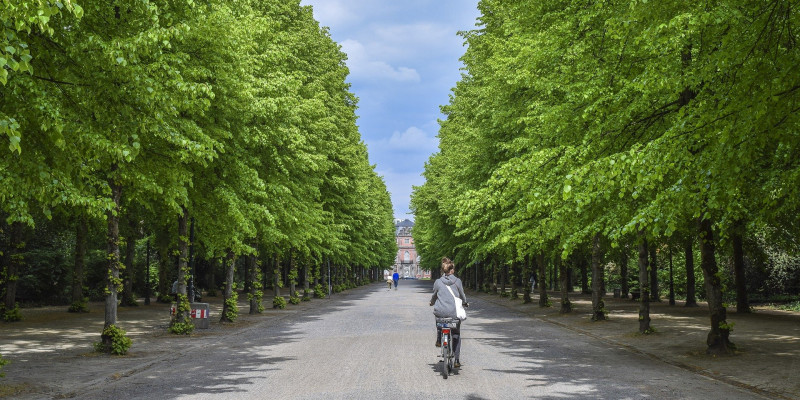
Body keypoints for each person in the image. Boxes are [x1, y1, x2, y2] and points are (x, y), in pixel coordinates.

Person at [429, 257, 468, 368]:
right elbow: (462, 295)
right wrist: (465, 303)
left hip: (441, 313)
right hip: (454, 314)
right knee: (456, 334)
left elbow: (434, 296)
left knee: (439, 318)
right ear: (452, 270)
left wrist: (432, 302)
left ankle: (438, 339)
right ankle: (456, 360)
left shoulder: (438, 282)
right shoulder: (458, 281)